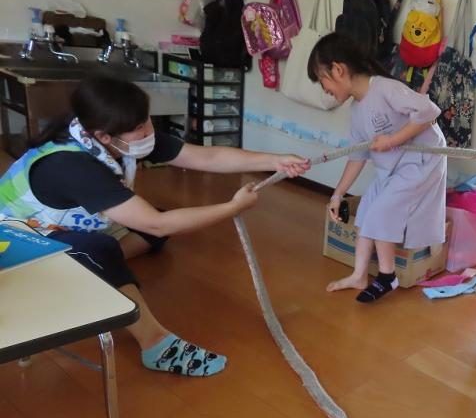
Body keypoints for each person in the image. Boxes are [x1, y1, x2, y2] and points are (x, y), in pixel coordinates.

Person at [0, 75, 309, 377]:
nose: (148, 131)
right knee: (109, 245)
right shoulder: (72, 165)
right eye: (139, 128)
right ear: (104, 136)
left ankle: (94, 269)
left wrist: (275, 161)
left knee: (146, 230)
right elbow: (158, 225)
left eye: (146, 120)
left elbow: (207, 157)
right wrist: (232, 208)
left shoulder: (111, 132)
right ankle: (155, 343)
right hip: (15, 246)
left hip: (60, 228)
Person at [307, 32, 447, 303]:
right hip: (393, 167)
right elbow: (357, 155)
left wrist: (393, 140)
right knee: (366, 213)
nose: (323, 89)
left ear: (338, 70)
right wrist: (337, 194)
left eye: (321, 79)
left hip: (422, 160)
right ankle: (359, 275)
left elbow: (429, 112)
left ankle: (387, 276)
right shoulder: (357, 110)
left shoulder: (384, 88)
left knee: (380, 212)